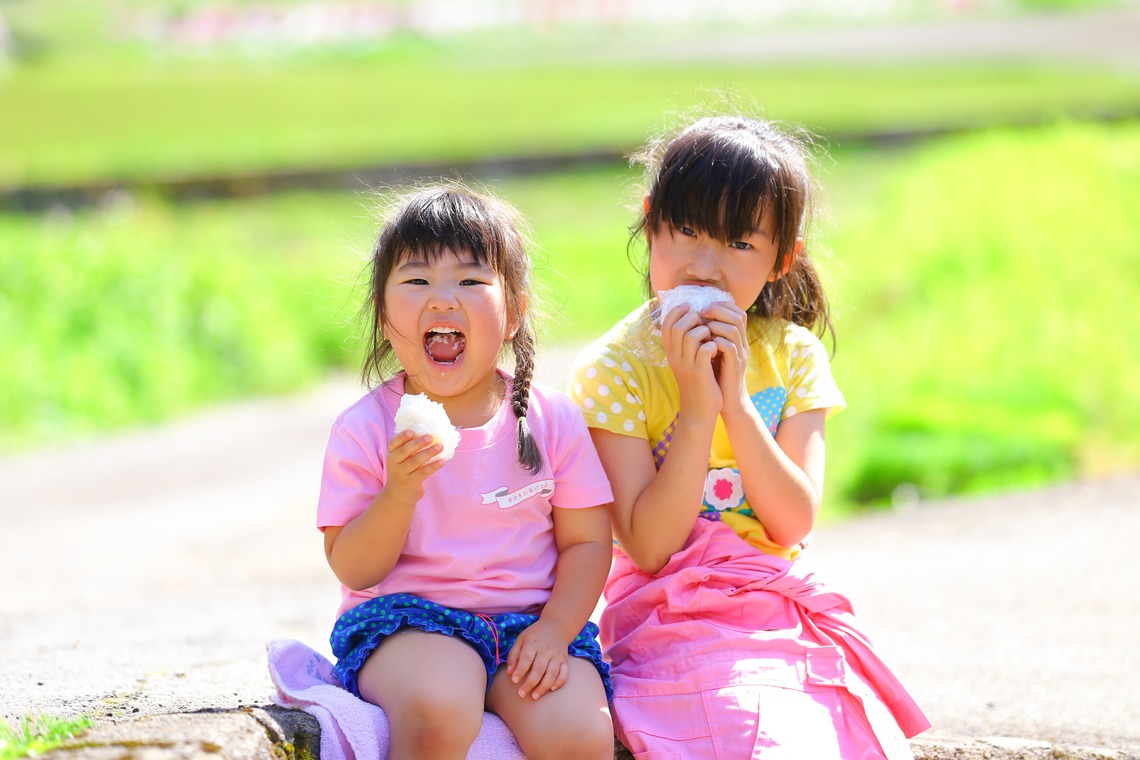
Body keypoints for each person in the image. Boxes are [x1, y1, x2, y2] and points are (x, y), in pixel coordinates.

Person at [568, 114, 931, 758]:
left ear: (779, 259)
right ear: (651, 223)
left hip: (774, 615)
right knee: (744, 732)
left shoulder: (792, 356)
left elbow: (790, 523)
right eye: (686, 231)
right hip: (665, 617)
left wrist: (734, 398)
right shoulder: (613, 368)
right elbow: (649, 546)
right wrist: (697, 405)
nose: (705, 267)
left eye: (739, 244)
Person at [318, 183, 615, 760]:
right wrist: (399, 493)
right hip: (406, 622)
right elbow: (354, 568)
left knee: (581, 731)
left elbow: (587, 542)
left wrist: (554, 631)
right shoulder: (366, 429)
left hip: (529, 622)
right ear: (384, 316)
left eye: (471, 280)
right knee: (441, 703)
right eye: (417, 280)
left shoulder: (552, 420)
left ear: (515, 312)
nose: (442, 299)